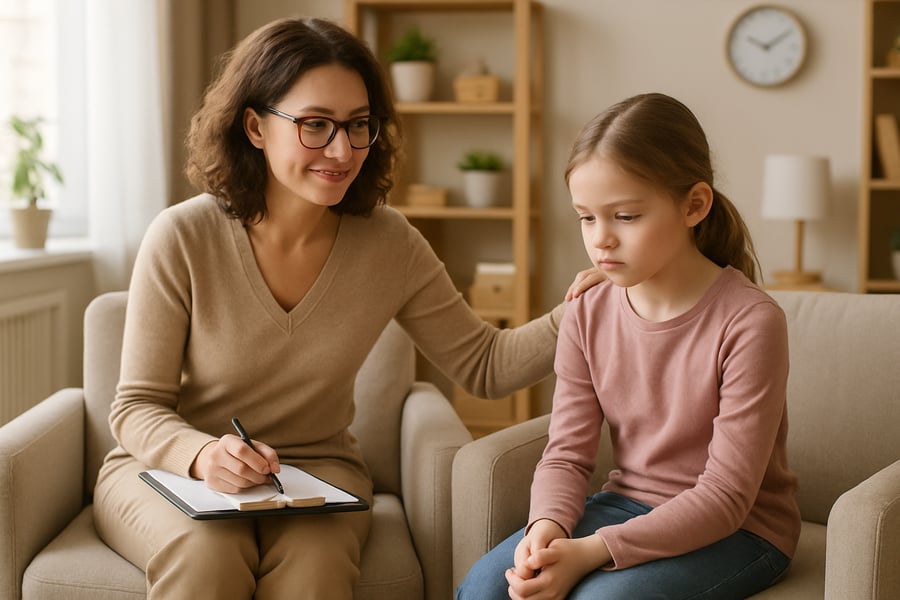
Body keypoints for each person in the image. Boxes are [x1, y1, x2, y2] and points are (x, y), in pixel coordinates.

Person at [92, 16, 600, 600]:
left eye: (359, 126)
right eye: (315, 125)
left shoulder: (390, 244)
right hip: (165, 473)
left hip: (319, 474)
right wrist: (204, 454)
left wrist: (584, 309)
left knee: (317, 569)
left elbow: (485, 366)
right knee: (209, 551)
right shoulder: (182, 235)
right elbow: (136, 408)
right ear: (255, 126)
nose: (342, 149)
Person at [457, 92, 802, 600]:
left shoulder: (751, 322)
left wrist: (592, 551)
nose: (601, 240)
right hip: (624, 504)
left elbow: (726, 497)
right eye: (586, 217)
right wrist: (546, 530)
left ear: (694, 205)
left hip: (742, 530)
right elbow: (566, 456)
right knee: (484, 588)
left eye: (625, 216)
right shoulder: (585, 309)